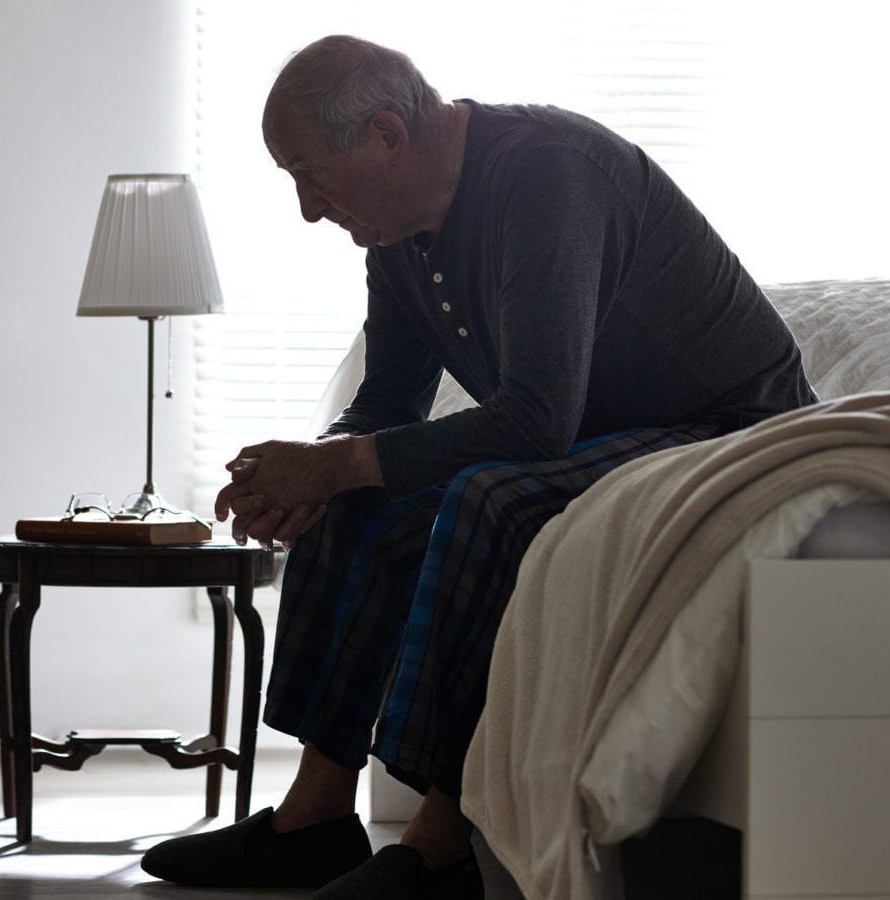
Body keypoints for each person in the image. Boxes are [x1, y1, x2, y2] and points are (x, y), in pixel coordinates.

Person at [139, 34, 817, 900]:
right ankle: (312, 818)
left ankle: (442, 846)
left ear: (387, 136)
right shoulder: (395, 230)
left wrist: (339, 462)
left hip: (730, 433)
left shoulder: (547, 178)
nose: (309, 208)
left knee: (489, 498)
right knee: (355, 503)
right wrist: (310, 475)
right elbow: (387, 402)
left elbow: (535, 421)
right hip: (597, 442)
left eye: (310, 172)